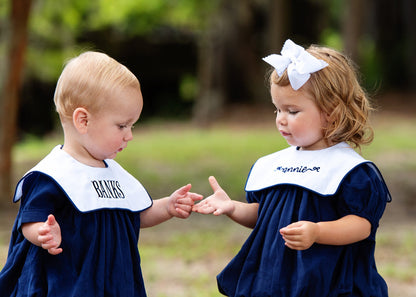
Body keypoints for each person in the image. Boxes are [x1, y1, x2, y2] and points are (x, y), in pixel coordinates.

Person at [193, 39, 391, 297]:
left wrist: (317, 231)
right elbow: (263, 217)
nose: (281, 119)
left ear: (331, 112)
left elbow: (362, 225)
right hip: (274, 280)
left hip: (327, 282)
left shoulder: (350, 171)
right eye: (277, 109)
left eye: (293, 111)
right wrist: (232, 207)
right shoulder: (273, 165)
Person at [0, 51, 203, 296]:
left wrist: (168, 207)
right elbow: (29, 220)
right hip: (69, 283)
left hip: (116, 282)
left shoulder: (115, 174)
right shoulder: (53, 175)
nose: (129, 135)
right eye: (122, 126)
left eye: (132, 125)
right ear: (83, 121)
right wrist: (43, 233)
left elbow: (134, 215)